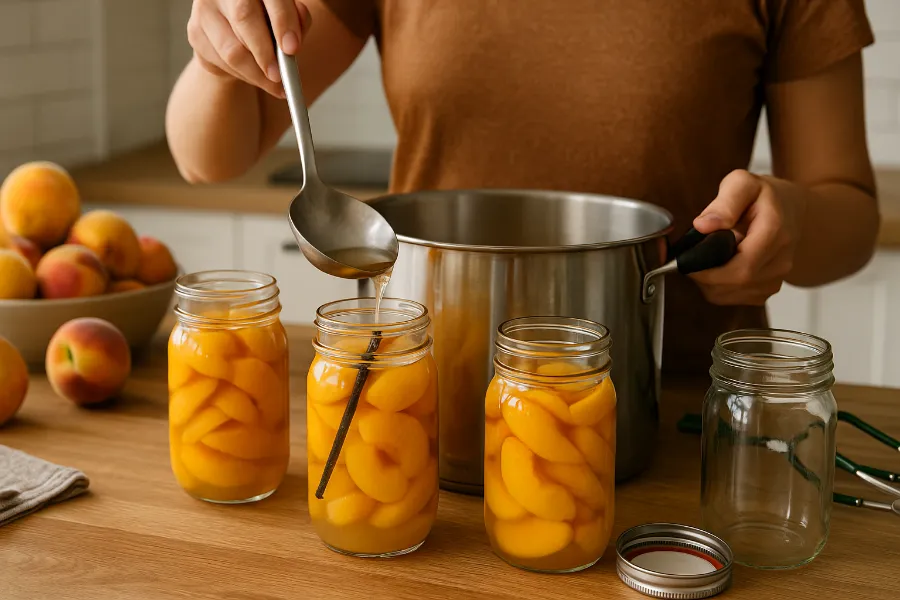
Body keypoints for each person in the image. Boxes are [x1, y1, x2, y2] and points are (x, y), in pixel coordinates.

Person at [166, 0, 880, 374]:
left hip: (672, 408)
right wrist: (219, 50)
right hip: (420, 401)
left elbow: (848, 209)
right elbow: (208, 153)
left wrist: (792, 219)